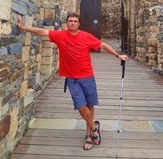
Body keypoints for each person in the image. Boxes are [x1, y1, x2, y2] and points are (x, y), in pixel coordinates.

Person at [17, 12, 128, 150]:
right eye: (70, 21)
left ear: (79, 23)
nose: (73, 23)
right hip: (72, 79)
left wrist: (118, 55)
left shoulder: (86, 36)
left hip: (87, 76)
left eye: (75, 21)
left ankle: (88, 135)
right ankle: (94, 128)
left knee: (90, 105)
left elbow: (102, 45)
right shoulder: (60, 35)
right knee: (81, 106)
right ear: (67, 23)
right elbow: (41, 31)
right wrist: (23, 28)